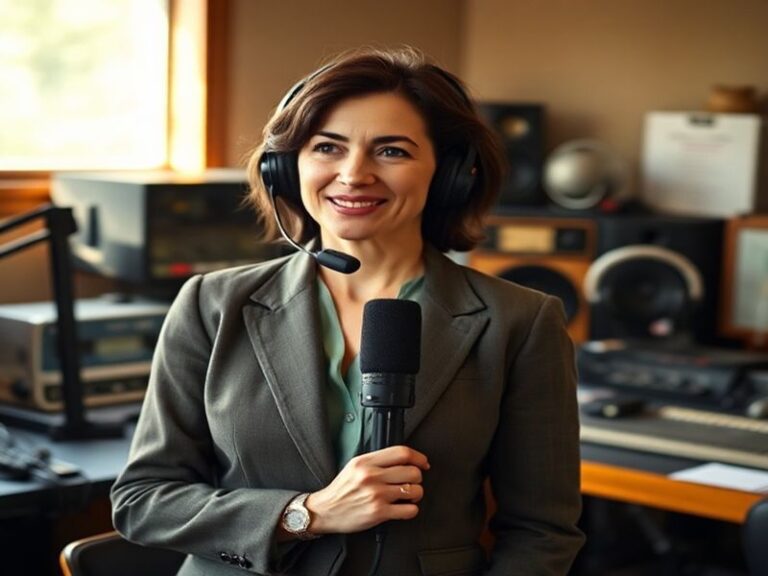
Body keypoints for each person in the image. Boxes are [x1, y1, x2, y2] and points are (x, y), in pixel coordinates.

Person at [111, 46, 585, 576]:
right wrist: (304, 514)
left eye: (392, 151)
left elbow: (541, 533)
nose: (354, 174)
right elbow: (143, 501)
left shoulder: (519, 321)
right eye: (327, 148)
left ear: (450, 172)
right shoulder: (212, 305)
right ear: (286, 169)